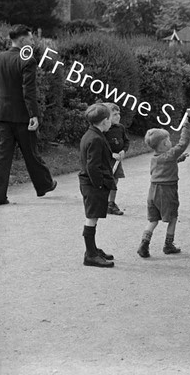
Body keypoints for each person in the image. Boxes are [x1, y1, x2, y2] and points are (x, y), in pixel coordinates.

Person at [0, 24, 56, 205]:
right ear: (22, 40)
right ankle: (44, 185)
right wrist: (34, 115)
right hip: (22, 116)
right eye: (30, 38)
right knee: (30, 152)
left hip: (1, 115)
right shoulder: (27, 60)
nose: (32, 41)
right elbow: (28, 91)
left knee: (1, 157)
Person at [137, 120, 190, 258]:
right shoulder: (170, 154)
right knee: (172, 217)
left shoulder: (155, 158)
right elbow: (183, 144)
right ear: (165, 144)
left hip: (153, 191)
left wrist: (178, 160)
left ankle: (144, 243)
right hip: (167, 191)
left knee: (153, 220)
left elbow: (164, 165)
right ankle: (168, 245)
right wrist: (185, 126)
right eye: (169, 140)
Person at [78, 103, 116, 268]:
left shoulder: (91, 134)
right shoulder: (96, 139)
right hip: (93, 185)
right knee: (91, 218)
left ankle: (92, 249)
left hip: (90, 183)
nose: (111, 123)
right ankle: (90, 255)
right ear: (104, 121)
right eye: (110, 119)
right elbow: (92, 166)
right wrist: (99, 185)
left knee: (92, 217)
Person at [103, 103, 129, 215]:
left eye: (119, 113)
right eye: (114, 114)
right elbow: (101, 145)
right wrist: (111, 154)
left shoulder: (120, 128)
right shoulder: (104, 130)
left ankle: (111, 203)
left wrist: (124, 150)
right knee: (105, 181)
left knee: (115, 180)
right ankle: (102, 202)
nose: (118, 116)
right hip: (107, 160)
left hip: (117, 161)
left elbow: (126, 141)